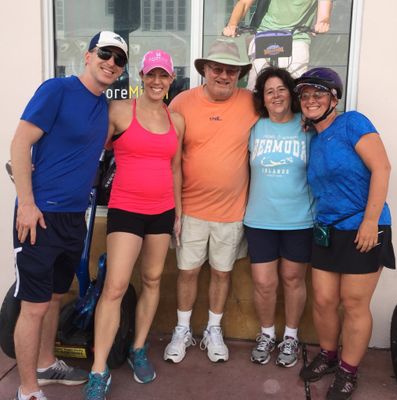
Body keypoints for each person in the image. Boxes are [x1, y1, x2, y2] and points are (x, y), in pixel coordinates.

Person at [9, 31, 128, 400]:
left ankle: (46, 365)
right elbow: (20, 143)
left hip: (75, 218)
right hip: (40, 215)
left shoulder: (104, 107)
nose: (111, 63)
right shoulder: (57, 90)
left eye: (119, 59)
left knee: (55, 298)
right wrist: (27, 203)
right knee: (33, 306)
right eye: (105, 54)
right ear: (88, 56)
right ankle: (28, 389)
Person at [84, 50, 184, 399]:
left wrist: (178, 213)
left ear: (171, 79)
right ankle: (99, 369)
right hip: (126, 208)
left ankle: (138, 347)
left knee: (153, 279)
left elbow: (175, 169)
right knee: (115, 286)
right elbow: (90, 149)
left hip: (162, 210)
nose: (157, 81)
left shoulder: (176, 120)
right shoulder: (120, 110)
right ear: (141, 76)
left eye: (163, 75)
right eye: (151, 74)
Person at [294, 68, 395, 400]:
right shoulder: (314, 138)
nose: (311, 100)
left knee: (354, 303)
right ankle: (329, 355)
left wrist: (370, 221)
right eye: (305, 96)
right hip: (327, 228)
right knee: (324, 300)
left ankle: (348, 371)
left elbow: (382, 167)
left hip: (363, 227)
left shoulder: (353, 123)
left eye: (318, 94)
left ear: (334, 99)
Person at [163, 38, 258, 364]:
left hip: (232, 212)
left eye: (231, 70)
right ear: (205, 70)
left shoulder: (252, 103)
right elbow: (168, 156)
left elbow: (282, 116)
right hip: (190, 209)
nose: (224, 75)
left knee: (222, 273)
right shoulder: (181, 103)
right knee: (187, 272)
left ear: (239, 74)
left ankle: (213, 330)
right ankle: (182, 329)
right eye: (217, 68)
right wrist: (174, 210)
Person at [244, 66, 313, 368]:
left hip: (299, 219)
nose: (276, 96)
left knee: (293, 279)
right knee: (263, 282)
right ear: (262, 98)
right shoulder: (254, 127)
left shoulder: (306, 126)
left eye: (281, 89)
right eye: (269, 91)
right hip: (260, 219)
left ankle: (291, 337)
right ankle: (267, 334)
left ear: (290, 93)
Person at [223, 0, 333, 89]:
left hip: (296, 37)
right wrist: (232, 24)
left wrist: (322, 23)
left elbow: (324, 13)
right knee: (255, 84)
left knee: (296, 85)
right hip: (264, 34)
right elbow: (244, 3)